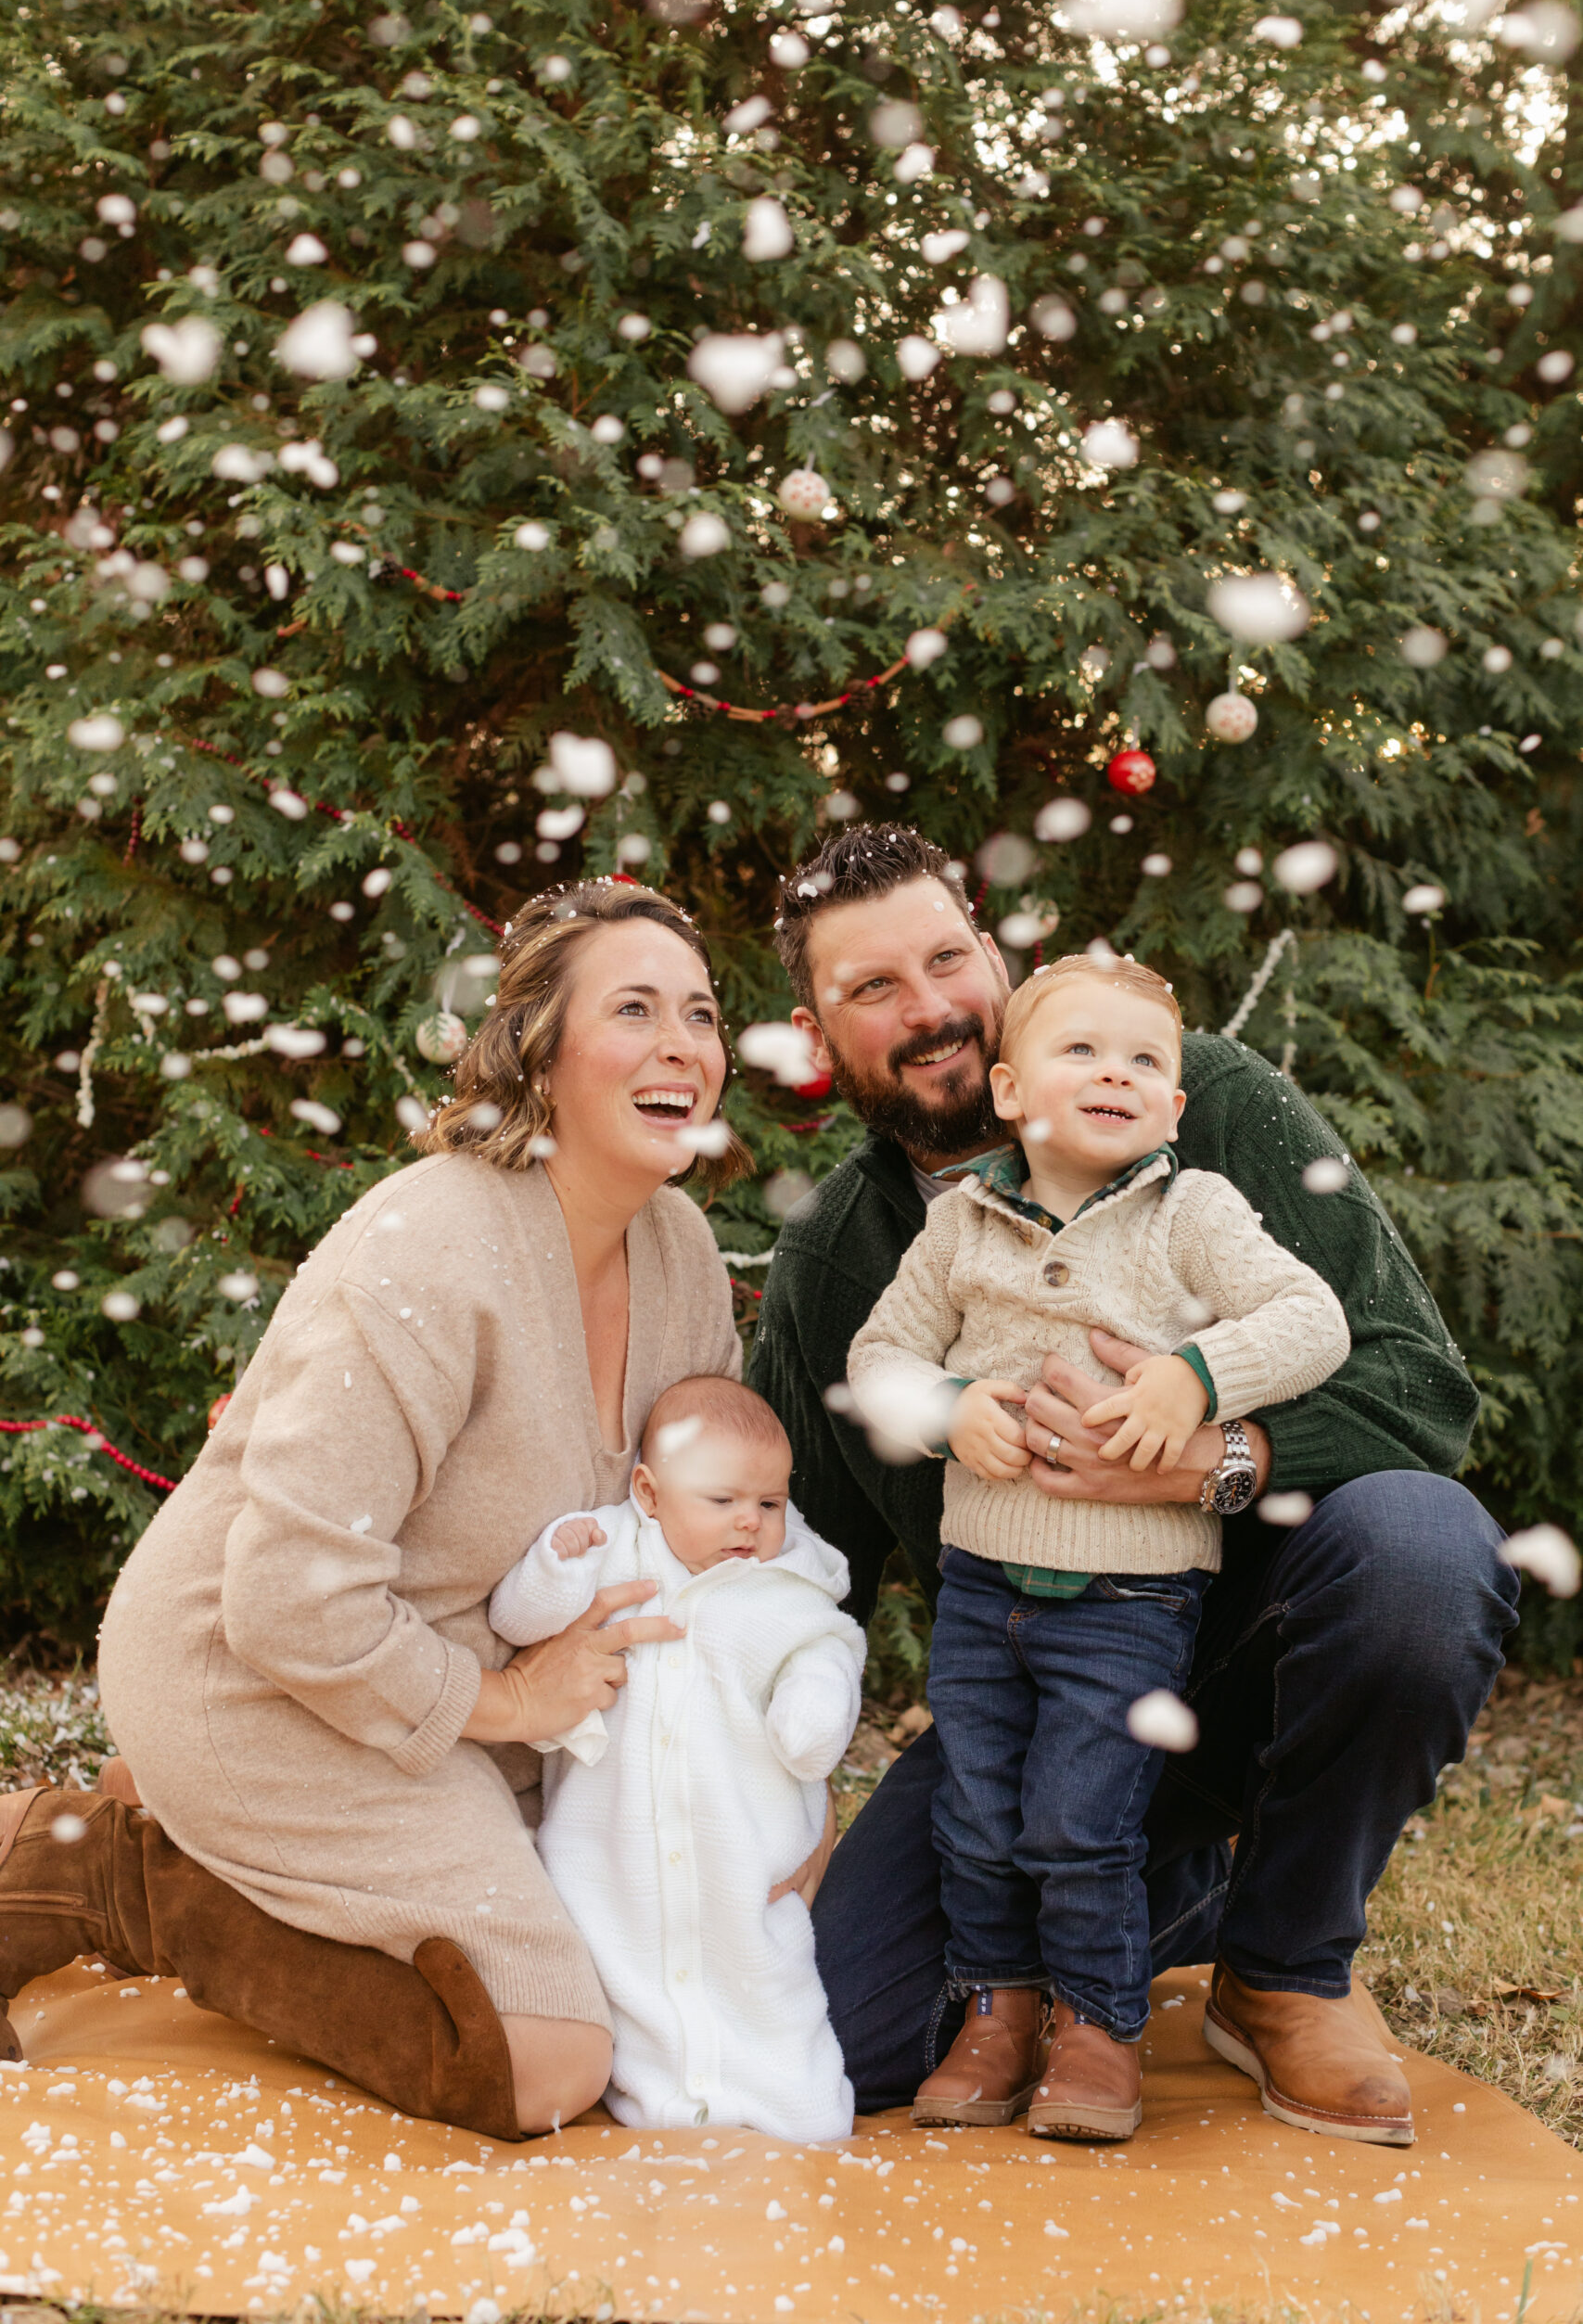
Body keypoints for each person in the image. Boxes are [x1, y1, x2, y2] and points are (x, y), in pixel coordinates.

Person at [747, 824, 1518, 2149]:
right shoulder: (845, 1252)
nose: (926, 1008)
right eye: (874, 988)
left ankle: (1282, 1965)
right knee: (849, 2031)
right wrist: (770, 1814)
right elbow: (790, 1563)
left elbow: (1414, 1384)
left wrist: (1211, 1441)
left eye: (945, 959)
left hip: (1244, 1644)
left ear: (991, 956)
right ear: (819, 1035)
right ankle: (1148, 1886)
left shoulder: (1189, 1100)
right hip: (1022, 1690)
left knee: (1417, 1554)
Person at [0, 878, 772, 2140]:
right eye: (632, 1010)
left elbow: (682, 1524)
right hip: (259, 1679)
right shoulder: (430, 1247)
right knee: (543, 2064)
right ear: (540, 1050)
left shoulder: (679, 1250)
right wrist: (512, 1702)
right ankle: (111, 1872)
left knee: (679, 2008)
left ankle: (191, 1836)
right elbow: (282, 1602)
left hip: (463, 1699)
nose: (682, 1043)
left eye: (697, 1012)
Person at [848, 954, 1350, 2140]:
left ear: (1176, 1107)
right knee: (974, 1812)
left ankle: (1097, 2026)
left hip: (1133, 1593)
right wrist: (948, 1405)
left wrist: (1195, 1375)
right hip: (981, 1589)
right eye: (1081, 1052)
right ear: (1012, 1091)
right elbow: (878, 1360)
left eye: (1145, 1061)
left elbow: (1312, 1320)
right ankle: (997, 2012)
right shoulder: (959, 1229)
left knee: (1081, 1820)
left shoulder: (1194, 1217)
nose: (1114, 1074)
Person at [487, 1373, 863, 2140]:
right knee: (625, 1974)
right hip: (609, 1850)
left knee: (763, 1981)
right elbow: (519, 1620)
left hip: (740, 1858)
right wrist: (555, 1567)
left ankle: (795, 2110)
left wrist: (815, 1709)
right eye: (721, 1502)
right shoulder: (610, 1550)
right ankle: (654, 2098)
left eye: (768, 1503)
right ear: (649, 1494)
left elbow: (826, 1651)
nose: (750, 1524)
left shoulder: (786, 1586)